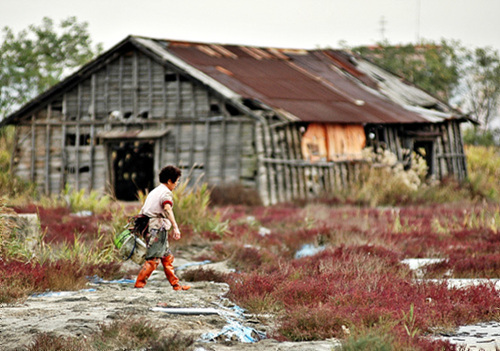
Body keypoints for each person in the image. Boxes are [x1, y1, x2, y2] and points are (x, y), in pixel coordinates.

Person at [134, 165, 190, 291]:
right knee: (153, 260)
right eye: (176, 181)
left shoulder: (156, 191)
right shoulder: (165, 193)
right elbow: (167, 208)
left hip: (151, 226)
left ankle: (176, 285)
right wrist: (175, 227)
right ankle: (139, 285)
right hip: (157, 228)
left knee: (167, 257)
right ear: (170, 181)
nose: (177, 184)